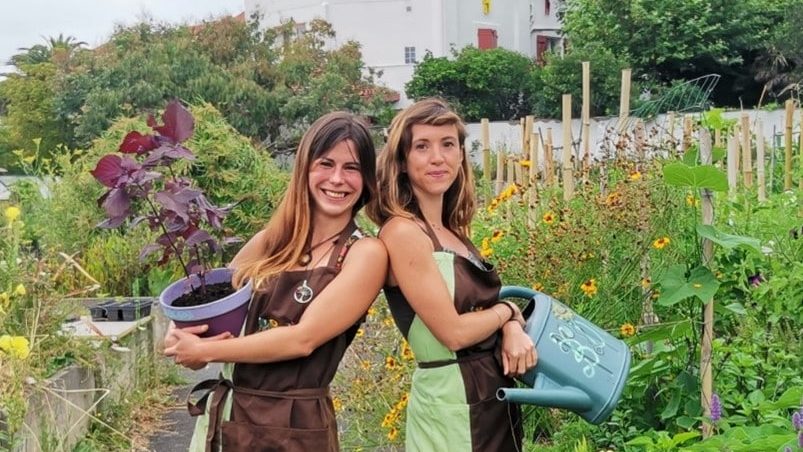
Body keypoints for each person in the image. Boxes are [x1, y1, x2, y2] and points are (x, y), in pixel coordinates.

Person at [163, 111, 387, 451]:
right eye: (325, 164)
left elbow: (302, 339)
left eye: (352, 168)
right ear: (304, 169)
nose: (337, 179)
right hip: (229, 418)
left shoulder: (364, 253)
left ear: (367, 179)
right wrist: (181, 334)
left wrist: (206, 349)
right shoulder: (271, 240)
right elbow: (214, 309)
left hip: (293, 428)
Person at [366, 98, 537, 451]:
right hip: (449, 403)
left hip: (491, 395)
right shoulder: (403, 233)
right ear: (401, 161)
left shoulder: (452, 232)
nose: (437, 158)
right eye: (422, 146)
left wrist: (510, 326)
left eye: (448, 145)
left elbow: (479, 310)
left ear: (460, 155)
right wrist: (507, 312)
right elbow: (454, 333)